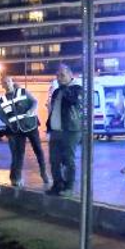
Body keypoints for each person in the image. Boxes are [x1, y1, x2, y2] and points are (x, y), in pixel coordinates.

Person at [0, 75, 50, 187]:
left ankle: (44, 173)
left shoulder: (23, 92)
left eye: (8, 81)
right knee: (19, 154)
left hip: (30, 126)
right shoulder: (2, 100)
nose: (7, 84)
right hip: (16, 129)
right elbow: (1, 115)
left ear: (12, 81)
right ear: (2, 86)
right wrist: (7, 122)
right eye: (4, 83)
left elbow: (34, 102)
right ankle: (17, 178)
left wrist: (31, 110)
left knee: (38, 150)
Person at [45, 64, 83, 196]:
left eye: (62, 75)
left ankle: (69, 186)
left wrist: (64, 87)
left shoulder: (77, 89)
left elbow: (72, 101)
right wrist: (49, 125)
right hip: (55, 131)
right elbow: (53, 110)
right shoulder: (56, 91)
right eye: (57, 76)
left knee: (68, 159)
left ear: (71, 75)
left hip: (70, 130)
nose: (59, 78)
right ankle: (57, 184)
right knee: (54, 160)